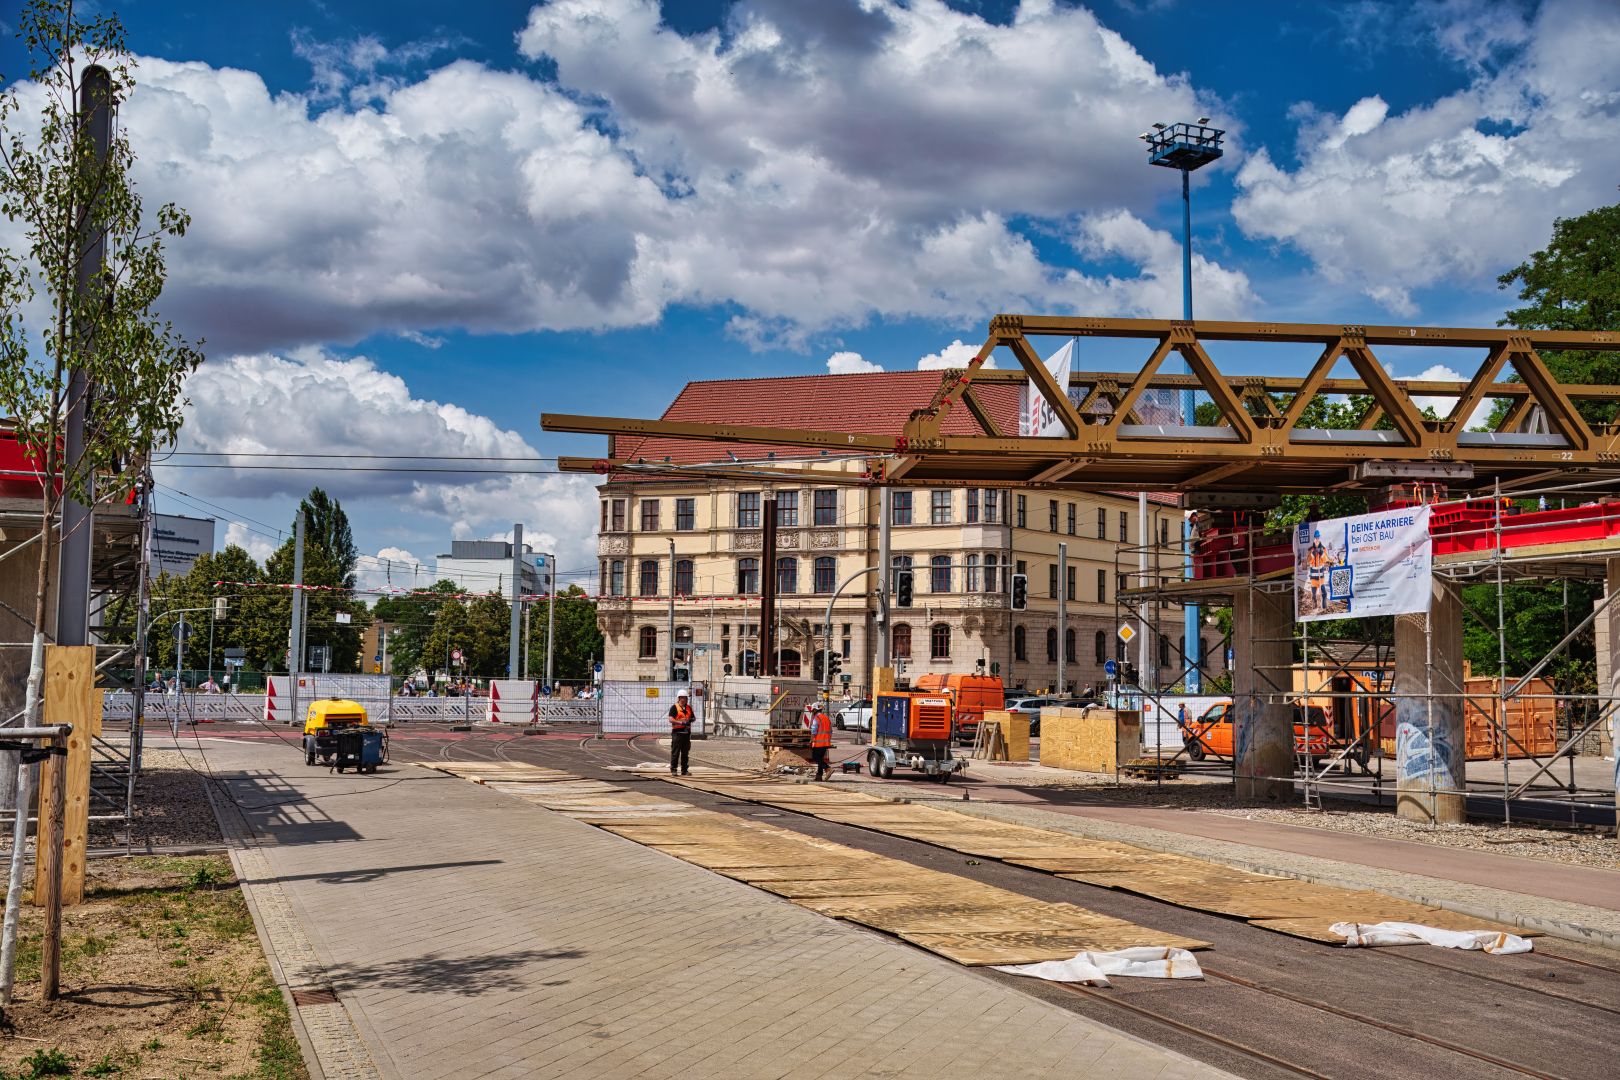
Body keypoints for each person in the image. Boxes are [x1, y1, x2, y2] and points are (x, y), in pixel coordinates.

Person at [804, 700, 833, 782]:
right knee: (820, 758)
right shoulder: (826, 718)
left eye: (813, 710)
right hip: (826, 742)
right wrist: (828, 740)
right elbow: (830, 731)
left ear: (816, 709)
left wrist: (811, 741)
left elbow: (814, 731)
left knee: (815, 757)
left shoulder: (817, 718)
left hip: (818, 743)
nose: (812, 712)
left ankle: (828, 769)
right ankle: (819, 776)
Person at [668, 691, 694, 775]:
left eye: (686, 698)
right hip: (677, 733)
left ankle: (684, 770)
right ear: (679, 698)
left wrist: (691, 720)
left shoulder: (689, 708)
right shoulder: (674, 707)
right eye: (683, 698)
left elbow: (693, 717)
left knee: (685, 753)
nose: (685, 699)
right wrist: (681, 723)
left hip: (686, 734)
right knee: (675, 752)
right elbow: (671, 719)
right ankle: (674, 769)